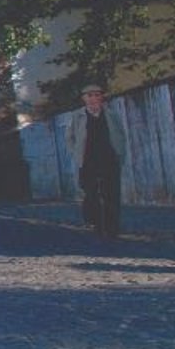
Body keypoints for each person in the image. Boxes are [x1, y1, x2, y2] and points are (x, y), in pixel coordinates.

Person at [72, 84, 126, 238]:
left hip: (109, 159)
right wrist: (77, 153)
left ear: (102, 97)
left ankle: (112, 228)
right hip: (88, 161)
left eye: (97, 95)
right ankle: (96, 224)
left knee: (112, 194)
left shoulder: (111, 114)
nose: (94, 99)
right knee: (91, 194)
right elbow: (70, 138)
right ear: (84, 99)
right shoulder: (78, 116)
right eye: (90, 96)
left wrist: (120, 153)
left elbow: (120, 135)